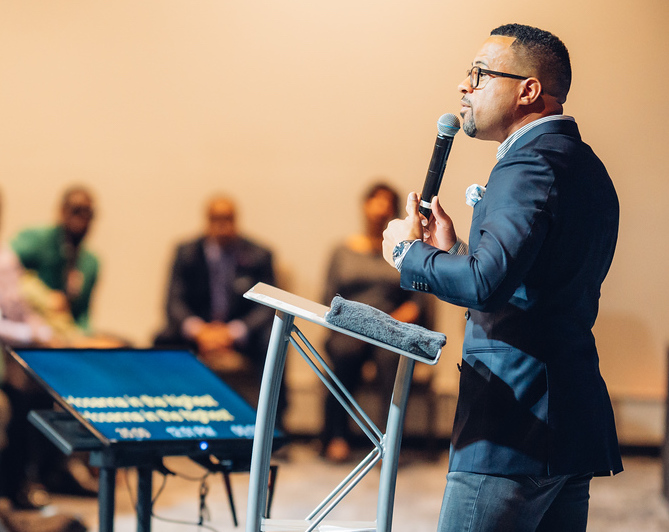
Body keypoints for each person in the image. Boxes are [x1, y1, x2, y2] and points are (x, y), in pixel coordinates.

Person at [382, 24, 622, 532]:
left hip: (514, 424)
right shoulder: (584, 164)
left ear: (527, 90)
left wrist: (405, 253)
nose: (465, 87)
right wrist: (455, 252)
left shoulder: (528, 164)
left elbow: (485, 285)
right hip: (568, 420)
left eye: (480, 74)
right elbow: (533, 284)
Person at [320, 182, 432, 462]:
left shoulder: (403, 250)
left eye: (386, 202)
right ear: (365, 206)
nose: (380, 207)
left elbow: (418, 298)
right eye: (375, 200)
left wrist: (404, 314)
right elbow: (328, 295)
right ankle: (336, 436)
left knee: (390, 360)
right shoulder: (342, 251)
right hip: (350, 327)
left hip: (389, 328)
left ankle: (388, 440)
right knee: (345, 352)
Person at [154, 195, 283, 420]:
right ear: (207, 220)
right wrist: (200, 331)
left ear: (236, 220)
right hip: (199, 332)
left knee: (273, 341)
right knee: (161, 339)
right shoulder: (186, 252)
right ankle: (161, 414)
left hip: (242, 334)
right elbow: (173, 302)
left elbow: (267, 307)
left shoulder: (259, 255)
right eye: (216, 218)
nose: (222, 225)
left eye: (227, 218)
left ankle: (275, 422)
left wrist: (232, 333)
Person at [11, 186, 98, 334]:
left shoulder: (90, 263)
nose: (82, 219)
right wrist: (45, 298)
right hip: (28, 330)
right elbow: (6, 267)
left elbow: (83, 315)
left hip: (64, 336)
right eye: (76, 211)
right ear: (62, 211)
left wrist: (85, 339)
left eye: (88, 213)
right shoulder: (36, 241)